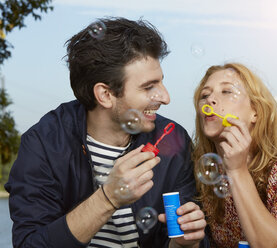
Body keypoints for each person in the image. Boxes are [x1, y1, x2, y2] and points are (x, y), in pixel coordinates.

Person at [5, 17, 206, 248]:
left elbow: (187, 240)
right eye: (149, 87)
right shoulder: (44, 144)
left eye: (161, 83)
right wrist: (109, 196)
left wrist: (185, 244)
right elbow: (30, 244)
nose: (165, 97)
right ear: (105, 95)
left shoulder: (173, 140)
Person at [192, 63, 277, 248]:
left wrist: (238, 171)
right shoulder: (204, 169)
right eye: (205, 95)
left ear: (255, 112)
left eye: (226, 91)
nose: (211, 100)